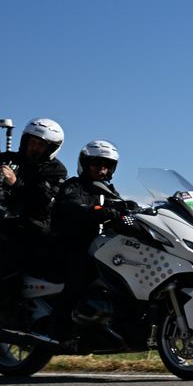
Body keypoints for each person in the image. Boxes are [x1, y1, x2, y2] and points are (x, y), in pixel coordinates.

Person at [0, 118, 68, 306]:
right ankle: (6, 312)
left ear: (51, 149)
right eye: (32, 142)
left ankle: (18, 308)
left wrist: (15, 183)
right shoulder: (10, 161)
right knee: (6, 261)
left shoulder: (56, 171)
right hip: (7, 229)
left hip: (36, 231)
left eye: (40, 145)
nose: (34, 148)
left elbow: (43, 203)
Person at [50, 140, 123, 338]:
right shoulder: (74, 186)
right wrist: (93, 210)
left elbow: (119, 206)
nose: (102, 170)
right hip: (67, 245)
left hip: (94, 245)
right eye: (97, 164)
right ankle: (59, 328)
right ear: (85, 164)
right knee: (81, 272)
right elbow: (71, 205)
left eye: (107, 166)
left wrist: (133, 209)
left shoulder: (107, 191)